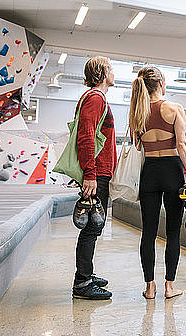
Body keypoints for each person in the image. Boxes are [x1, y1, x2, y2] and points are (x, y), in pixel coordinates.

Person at [129, 67, 186, 299]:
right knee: (173, 232)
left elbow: (138, 146)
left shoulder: (137, 112)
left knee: (148, 232)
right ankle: (169, 286)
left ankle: (149, 287)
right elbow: (182, 145)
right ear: (160, 83)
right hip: (172, 172)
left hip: (150, 173)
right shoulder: (173, 108)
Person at [73, 56, 117, 300]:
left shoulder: (97, 97)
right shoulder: (95, 98)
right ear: (102, 73)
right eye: (110, 69)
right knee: (92, 227)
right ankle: (82, 283)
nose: (113, 73)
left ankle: (86, 273)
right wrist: (90, 173)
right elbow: (86, 136)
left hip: (99, 172)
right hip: (96, 173)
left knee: (94, 227)